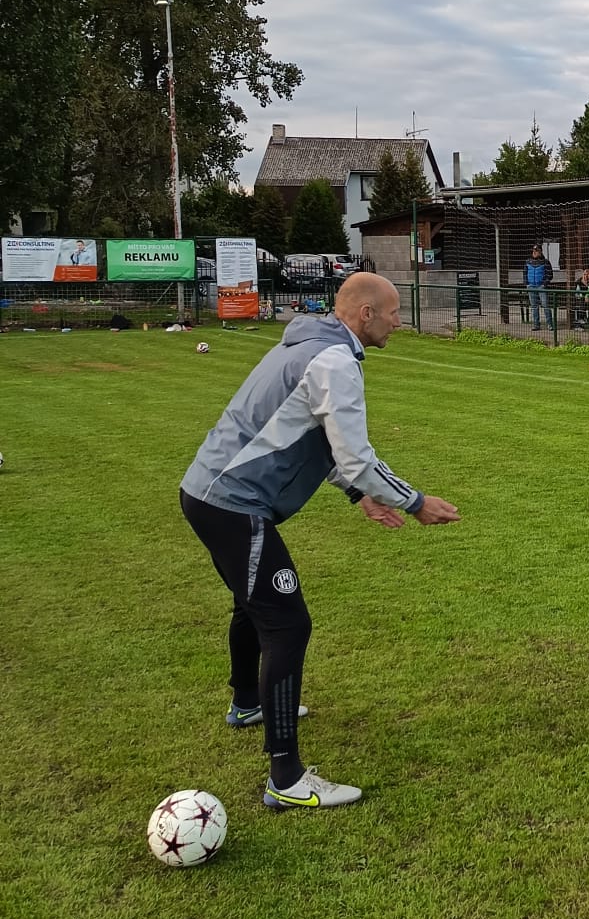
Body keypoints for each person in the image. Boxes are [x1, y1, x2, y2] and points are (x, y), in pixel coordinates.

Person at [178, 272, 460, 811]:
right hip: (234, 504)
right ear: (366, 314)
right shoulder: (334, 361)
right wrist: (415, 501)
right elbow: (356, 457)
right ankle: (285, 779)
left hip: (207, 494)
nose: (400, 323)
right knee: (287, 624)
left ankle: (247, 703)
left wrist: (359, 495)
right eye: (395, 313)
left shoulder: (309, 345)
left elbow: (309, 436)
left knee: (253, 606)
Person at [524, 244, 554, 330]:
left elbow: (550, 275)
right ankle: (536, 325)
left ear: (540, 252)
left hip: (541, 286)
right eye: (534, 250)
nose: (534, 252)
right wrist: (526, 283)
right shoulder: (528, 261)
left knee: (545, 305)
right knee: (534, 306)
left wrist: (544, 284)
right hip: (531, 286)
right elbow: (524, 273)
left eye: (536, 251)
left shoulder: (545, 262)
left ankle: (550, 324)